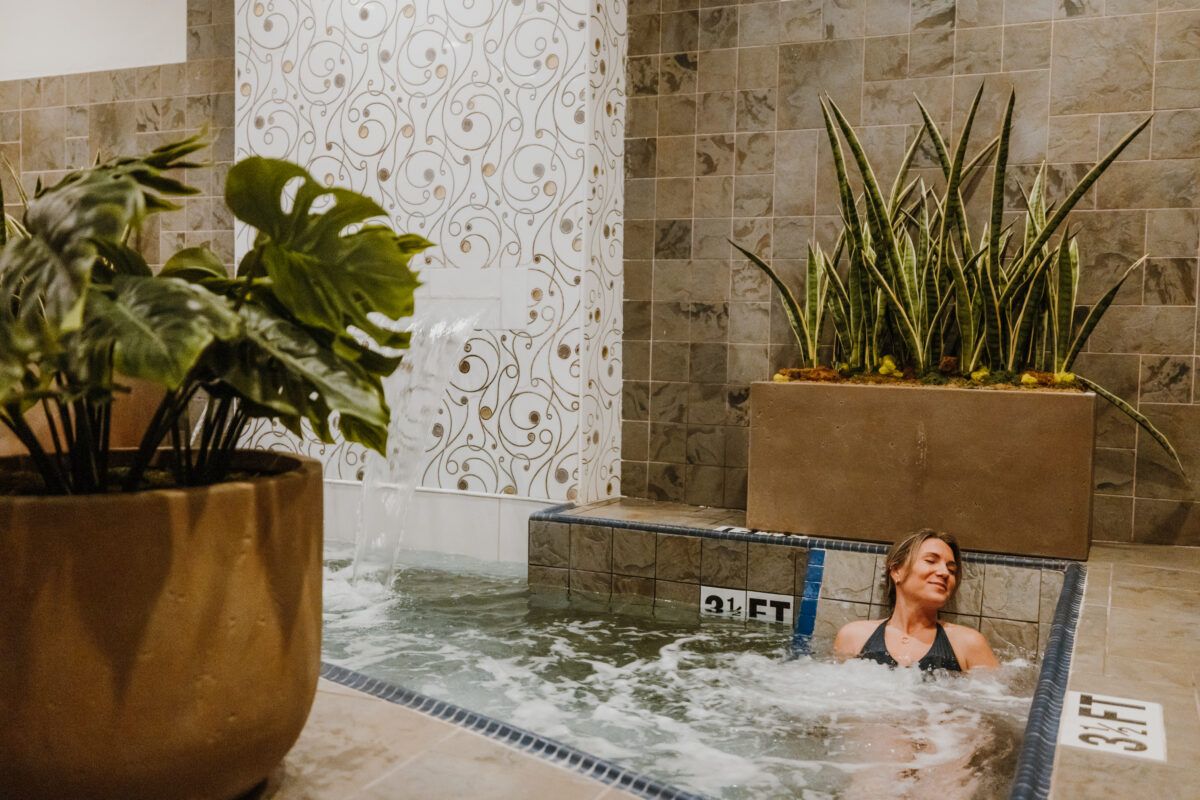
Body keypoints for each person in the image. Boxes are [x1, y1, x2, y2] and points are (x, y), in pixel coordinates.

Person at [833, 529, 998, 672]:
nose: (944, 572)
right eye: (931, 561)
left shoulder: (969, 644)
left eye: (951, 569)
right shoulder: (854, 637)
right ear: (897, 570)